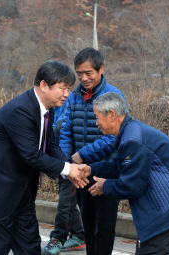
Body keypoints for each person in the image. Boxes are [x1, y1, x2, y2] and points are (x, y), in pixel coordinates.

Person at [0, 60, 90, 255]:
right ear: (43, 85)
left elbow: (50, 146)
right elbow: (31, 154)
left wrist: (69, 169)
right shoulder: (21, 110)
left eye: (69, 88)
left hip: (20, 194)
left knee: (29, 248)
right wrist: (67, 169)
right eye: (62, 88)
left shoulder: (47, 109)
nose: (67, 94)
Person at [86, 92, 169, 255]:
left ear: (111, 115)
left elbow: (132, 185)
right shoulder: (130, 132)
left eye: (97, 117)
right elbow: (121, 168)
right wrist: (91, 169)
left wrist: (105, 187)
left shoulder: (132, 140)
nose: (96, 123)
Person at [55, 48, 126, 255]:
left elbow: (114, 136)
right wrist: (68, 162)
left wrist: (83, 155)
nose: (83, 78)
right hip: (80, 172)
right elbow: (66, 129)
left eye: (88, 73)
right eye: (79, 73)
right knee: (87, 224)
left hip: (106, 170)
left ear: (100, 69)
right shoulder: (74, 96)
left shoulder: (113, 95)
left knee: (103, 227)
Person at [42, 100, 86, 255]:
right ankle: (79, 235)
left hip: (72, 166)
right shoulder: (50, 108)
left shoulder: (68, 106)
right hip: (63, 164)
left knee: (65, 203)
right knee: (68, 201)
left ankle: (57, 239)